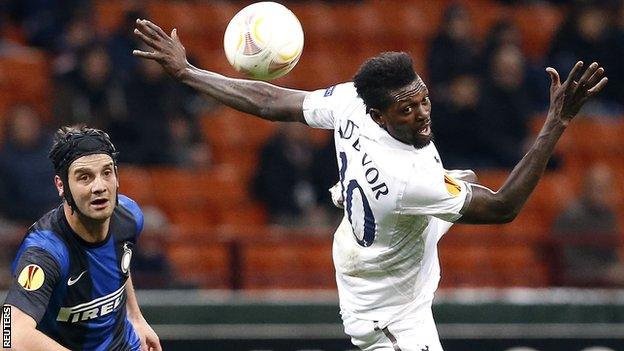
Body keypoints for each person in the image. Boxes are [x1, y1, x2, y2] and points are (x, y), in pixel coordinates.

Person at [132, 18, 607, 351]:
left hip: (373, 243)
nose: (422, 114)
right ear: (380, 115)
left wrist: (189, 72)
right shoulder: (410, 180)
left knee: (460, 182)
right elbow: (504, 208)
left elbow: (271, 100)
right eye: (407, 109)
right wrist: (556, 123)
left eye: (422, 99)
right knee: (467, 190)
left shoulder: (351, 102)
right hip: (391, 318)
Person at [1, 125, 161, 350]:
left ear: (116, 177)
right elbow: (10, 335)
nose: (99, 187)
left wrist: (135, 316)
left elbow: (121, 262)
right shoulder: (44, 253)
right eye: (84, 177)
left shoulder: (129, 215)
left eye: (106, 173)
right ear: (61, 185)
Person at [552, 163, 624, 287]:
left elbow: (611, 255)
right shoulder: (571, 217)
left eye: (607, 188)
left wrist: (616, 268)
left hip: (603, 278)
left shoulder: (608, 216)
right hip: (576, 280)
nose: (604, 193)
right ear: (586, 187)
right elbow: (569, 261)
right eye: (599, 188)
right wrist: (604, 273)